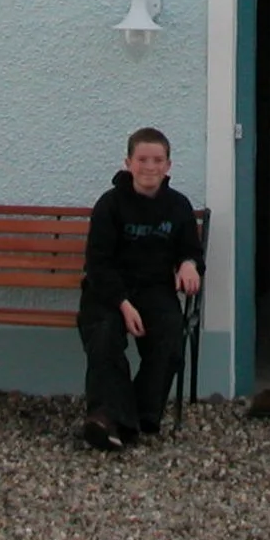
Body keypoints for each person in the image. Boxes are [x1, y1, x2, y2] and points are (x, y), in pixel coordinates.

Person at [76, 127, 203, 450]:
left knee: (171, 337)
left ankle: (133, 417)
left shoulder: (178, 207)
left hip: (156, 290)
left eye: (157, 160)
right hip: (108, 293)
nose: (150, 167)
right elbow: (98, 264)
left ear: (168, 165)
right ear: (128, 163)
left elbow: (190, 251)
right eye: (143, 159)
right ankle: (106, 418)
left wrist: (188, 263)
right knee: (104, 337)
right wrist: (123, 304)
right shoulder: (109, 205)